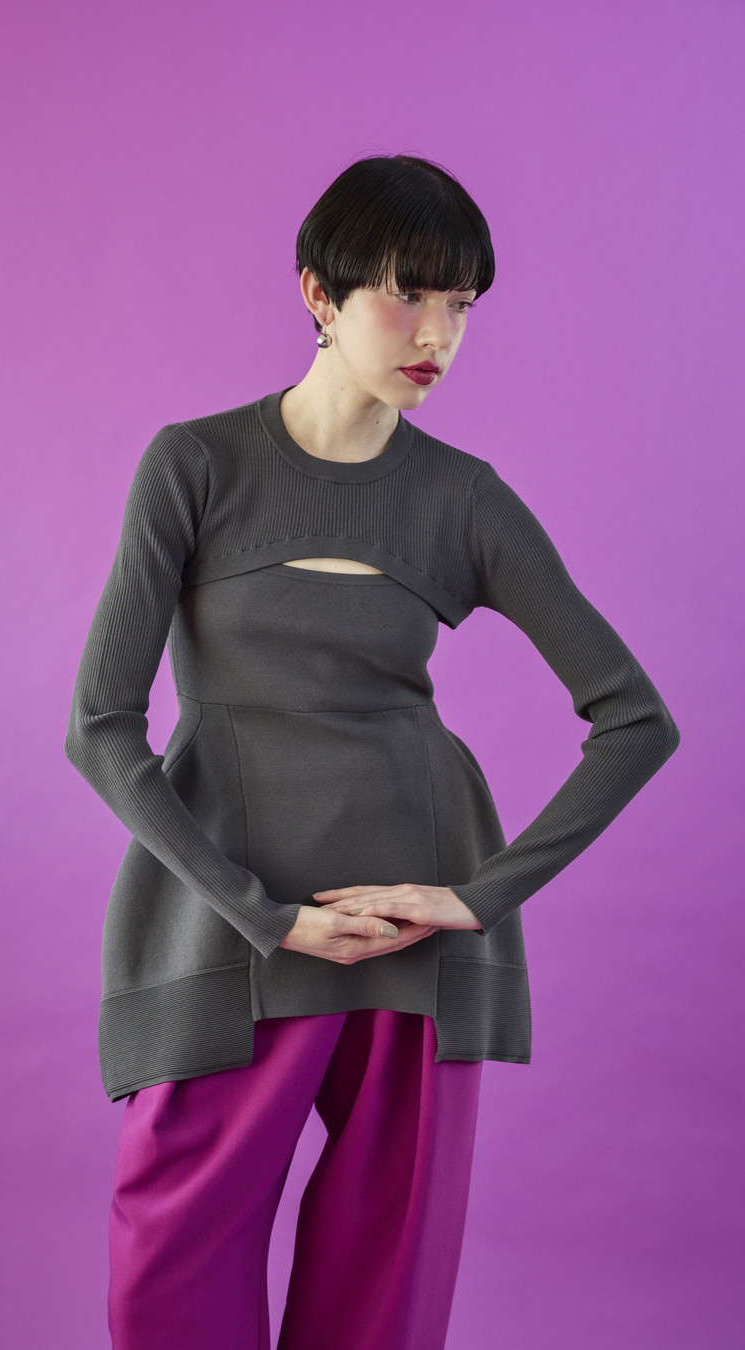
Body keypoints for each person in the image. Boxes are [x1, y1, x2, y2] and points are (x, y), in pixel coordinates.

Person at [64, 153, 681, 1350]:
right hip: (235, 932)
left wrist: (476, 898)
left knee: (383, 1298)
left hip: (413, 939)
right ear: (319, 292)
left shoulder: (464, 497)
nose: (437, 335)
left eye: (462, 305)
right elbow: (100, 726)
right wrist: (265, 915)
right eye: (409, 294)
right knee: (169, 1277)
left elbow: (635, 719)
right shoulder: (196, 464)